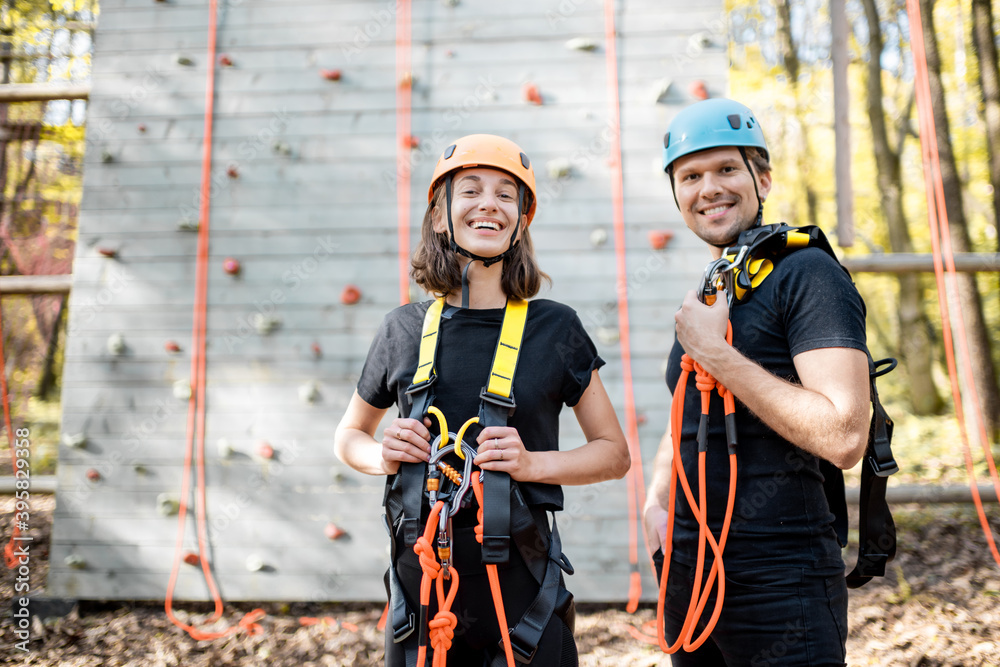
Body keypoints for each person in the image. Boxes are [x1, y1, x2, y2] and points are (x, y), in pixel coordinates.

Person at [335, 134, 630, 666]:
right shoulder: (401, 330)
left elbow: (613, 453)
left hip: (520, 600)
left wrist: (531, 463)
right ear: (441, 216)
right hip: (420, 598)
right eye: (469, 190)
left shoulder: (555, 328)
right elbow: (348, 437)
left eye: (506, 196)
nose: (489, 204)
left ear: (520, 221)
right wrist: (381, 453)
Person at [643, 98, 872, 666]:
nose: (709, 188)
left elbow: (843, 436)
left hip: (780, 576)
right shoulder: (716, 288)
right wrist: (657, 499)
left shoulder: (808, 275)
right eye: (690, 176)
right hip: (690, 570)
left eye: (726, 170)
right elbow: (687, 411)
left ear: (762, 179)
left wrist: (717, 354)